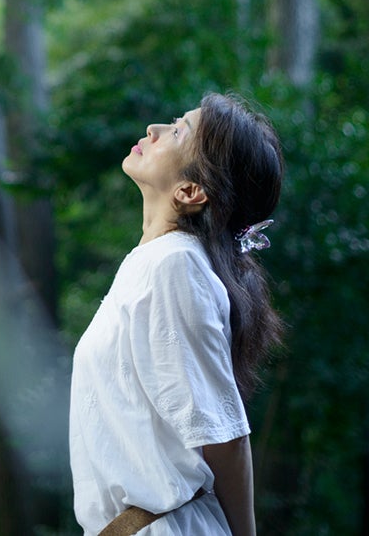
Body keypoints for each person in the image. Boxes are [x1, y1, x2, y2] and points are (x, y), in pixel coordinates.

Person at [70, 93, 285, 536]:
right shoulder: (154, 263)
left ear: (190, 191)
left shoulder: (175, 265)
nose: (154, 129)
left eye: (177, 131)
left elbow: (224, 434)